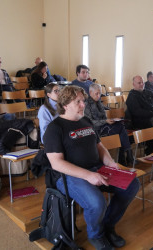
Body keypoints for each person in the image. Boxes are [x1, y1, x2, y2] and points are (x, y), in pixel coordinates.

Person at [44, 85, 139, 250]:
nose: (83, 105)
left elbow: (100, 146)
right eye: (78, 102)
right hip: (69, 176)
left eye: (83, 101)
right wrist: (88, 175)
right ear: (65, 105)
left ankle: (108, 226)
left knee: (132, 185)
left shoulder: (86, 121)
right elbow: (56, 163)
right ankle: (96, 235)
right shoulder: (55, 128)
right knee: (97, 203)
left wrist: (110, 162)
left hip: (96, 168)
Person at [85, 83, 133, 166]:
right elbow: (90, 122)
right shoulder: (86, 105)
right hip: (96, 130)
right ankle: (127, 155)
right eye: (96, 93)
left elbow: (105, 113)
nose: (99, 95)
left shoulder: (98, 102)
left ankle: (125, 156)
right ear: (90, 92)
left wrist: (112, 119)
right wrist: (105, 121)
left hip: (104, 126)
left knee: (120, 126)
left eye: (100, 93)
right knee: (120, 130)